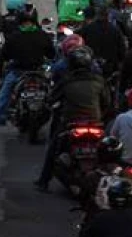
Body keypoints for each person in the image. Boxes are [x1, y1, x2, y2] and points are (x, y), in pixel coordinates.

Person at [36, 46, 112, 191]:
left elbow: (52, 98)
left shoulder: (66, 81)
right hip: (95, 121)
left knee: (54, 149)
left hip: (71, 122)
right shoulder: (99, 80)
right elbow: (107, 102)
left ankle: (44, 181)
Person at [0, 5, 55, 125]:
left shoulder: (13, 37)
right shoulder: (42, 35)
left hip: (18, 73)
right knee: (52, 93)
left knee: (3, 95)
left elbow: (3, 57)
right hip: (39, 73)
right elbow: (51, 54)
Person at [79, 0, 126, 76]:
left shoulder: (87, 29)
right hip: (108, 72)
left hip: (92, 72)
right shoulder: (115, 30)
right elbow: (122, 53)